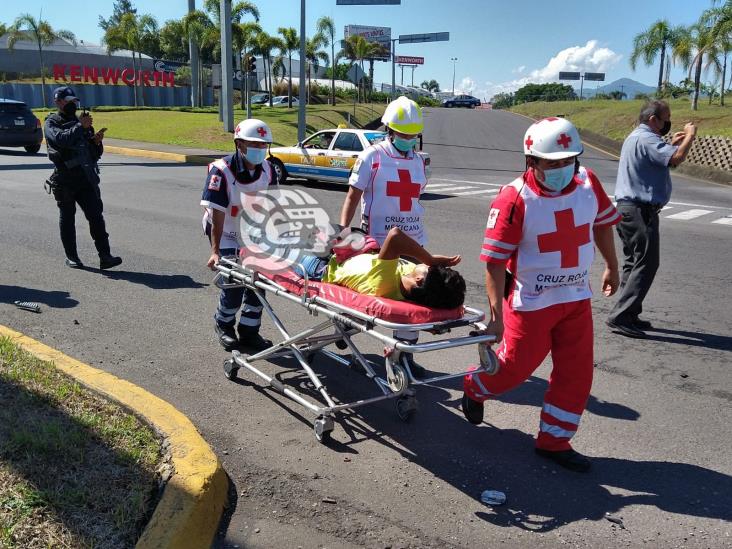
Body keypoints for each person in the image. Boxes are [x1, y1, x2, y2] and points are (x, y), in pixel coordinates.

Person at [460, 117, 621, 473]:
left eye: (568, 161)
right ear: (531, 161)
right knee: (512, 371)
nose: (563, 168)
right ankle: (474, 385)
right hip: (531, 302)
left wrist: (612, 264)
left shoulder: (587, 182)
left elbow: (602, 224)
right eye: (553, 163)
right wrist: (496, 319)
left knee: (576, 375)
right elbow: (494, 262)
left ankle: (554, 441)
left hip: (576, 298)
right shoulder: (514, 198)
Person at [338, 96, 429, 372]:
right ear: (389, 129)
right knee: (373, 297)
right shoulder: (372, 157)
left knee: (411, 299)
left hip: (415, 241)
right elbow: (353, 196)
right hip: (379, 243)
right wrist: (344, 231)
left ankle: (403, 358)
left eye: (413, 135)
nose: (408, 139)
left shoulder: (419, 161)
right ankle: (346, 320)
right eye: (403, 134)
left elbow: (415, 199)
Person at [607, 100, 697, 338]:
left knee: (633, 263)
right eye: (666, 118)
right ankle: (621, 316)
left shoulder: (639, 137)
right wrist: (690, 136)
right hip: (639, 210)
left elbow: (662, 157)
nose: (668, 123)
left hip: (629, 209)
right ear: (652, 119)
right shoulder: (646, 138)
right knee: (647, 263)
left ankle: (629, 313)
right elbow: (676, 158)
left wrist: (673, 144)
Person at [201, 118, 277, 352]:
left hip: (252, 232)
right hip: (224, 230)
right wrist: (216, 252)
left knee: (259, 282)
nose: (260, 150)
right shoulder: (221, 171)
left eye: (264, 145)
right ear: (240, 144)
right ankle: (224, 325)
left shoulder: (268, 170)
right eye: (255, 145)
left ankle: (249, 331)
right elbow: (217, 215)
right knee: (233, 282)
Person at [44, 86, 122, 270]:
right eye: (69, 101)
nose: (73, 104)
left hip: (85, 178)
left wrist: (96, 142)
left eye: (75, 101)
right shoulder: (51, 122)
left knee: (96, 216)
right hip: (65, 179)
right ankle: (72, 257)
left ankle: (105, 256)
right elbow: (61, 140)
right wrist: (81, 126)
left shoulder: (82, 122)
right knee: (68, 218)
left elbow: (93, 154)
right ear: (59, 102)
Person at [320, 227, 465, 309]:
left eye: (430, 268)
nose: (429, 265)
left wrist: (429, 259)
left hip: (327, 263)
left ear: (419, 280)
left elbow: (395, 236)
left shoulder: (385, 284)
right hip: (358, 248)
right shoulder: (414, 286)